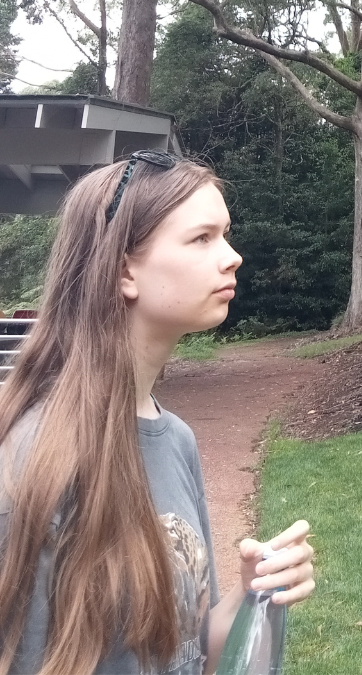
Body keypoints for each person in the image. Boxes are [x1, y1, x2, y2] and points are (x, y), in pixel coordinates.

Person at [0, 152, 315, 675]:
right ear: (125, 268)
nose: (232, 256)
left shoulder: (176, 439)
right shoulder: (34, 455)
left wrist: (248, 591)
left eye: (226, 235)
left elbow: (188, 655)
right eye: (202, 238)